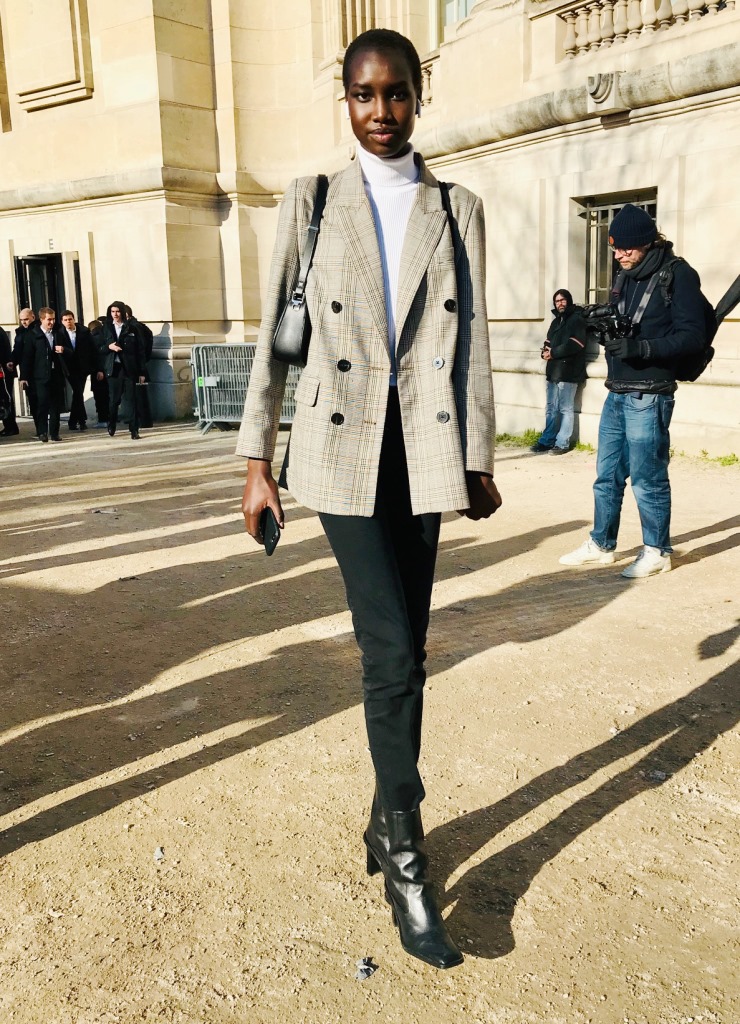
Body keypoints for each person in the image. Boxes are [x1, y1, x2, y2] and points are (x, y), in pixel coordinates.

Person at [237, 28, 501, 969]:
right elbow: (274, 338)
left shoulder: (457, 208)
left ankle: (383, 818)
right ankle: (408, 856)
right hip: (339, 452)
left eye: (396, 93)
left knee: (409, 654)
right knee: (389, 650)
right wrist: (257, 460)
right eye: (363, 94)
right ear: (344, 100)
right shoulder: (312, 201)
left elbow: (471, 343)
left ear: (418, 97)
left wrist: (478, 457)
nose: (380, 111)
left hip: (423, 452)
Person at [560, 203, 706, 578]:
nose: (619, 255)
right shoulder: (625, 275)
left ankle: (657, 551)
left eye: (625, 248)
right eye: (614, 248)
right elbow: (624, 322)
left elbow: (693, 336)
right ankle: (602, 544)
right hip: (618, 389)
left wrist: (642, 349)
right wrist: (601, 327)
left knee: (647, 477)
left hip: (651, 392)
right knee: (606, 475)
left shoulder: (678, 274)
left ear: (646, 242)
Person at [530, 289, 587, 455]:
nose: (560, 303)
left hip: (569, 371)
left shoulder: (577, 319)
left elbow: (576, 344)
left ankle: (562, 443)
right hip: (553, 371)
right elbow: (548, 341)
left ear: (568, 300)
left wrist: (553, 353)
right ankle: (547, 440)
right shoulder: (556, 322)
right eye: (557, 301)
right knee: (551, 408)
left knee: (565, 409)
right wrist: (544, 352)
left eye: (562, 300)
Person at [19, 307, 72, 442]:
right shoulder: (33, 335)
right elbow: (27, 357)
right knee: (42, 404)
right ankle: (42, 432)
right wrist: (24, 377)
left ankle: (54, 433)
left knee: (55, 406)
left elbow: (70, 351)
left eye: (53, 319)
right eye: (49, 319)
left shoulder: (58, 333)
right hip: (40, 376)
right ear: (41, 319)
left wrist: (63, 349)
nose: (51, 322)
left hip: (56, 375)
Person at [100, 301, 147, 440]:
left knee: (132, 400)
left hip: (129, 368)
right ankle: (112, 424)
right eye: (112, 311)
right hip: (114, 368)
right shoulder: (106, 328)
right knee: (114, 400)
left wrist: (142, 372)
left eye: (117, 311)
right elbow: (98, 348)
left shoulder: (132, 328)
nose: (115, 314)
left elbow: (140, 351)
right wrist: (109, 347)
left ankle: (134, 430)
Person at [59, 310, 95, 431]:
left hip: (82, 368)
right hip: (69, 368)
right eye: (65, 320)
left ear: (74, 319)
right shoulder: (59, 333)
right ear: (62, 322)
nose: (68, 322)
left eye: (70, 319)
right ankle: (81, 421)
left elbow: (92, 349)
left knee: (78, 393)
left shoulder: (84, 331)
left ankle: (73, 421)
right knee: (78, 392)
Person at [125, 305, 154, 428]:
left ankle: (144, 420)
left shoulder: (134, 327)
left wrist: (142, 366)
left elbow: (141, 348)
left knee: (139, 394)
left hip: (137, 365)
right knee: (137, 394)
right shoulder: (137, 326)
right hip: (137, 364)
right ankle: (139, 419)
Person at [12, 309, 37, 425]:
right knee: (32, 400)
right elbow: (17, 351)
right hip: (27, 372)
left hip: (39, 369)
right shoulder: (20, 333)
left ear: (33, 317)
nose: (24, 322)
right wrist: (12, 362)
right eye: (21, 320)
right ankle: (40, 428)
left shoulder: (38, 330)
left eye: (26, 319)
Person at [88, 319, 110, 425]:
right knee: (106, 396)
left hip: (98, 371)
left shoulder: (94, 338)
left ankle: (103, 419)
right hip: (107, 370)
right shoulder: (105, 336)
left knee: (99, 397)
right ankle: (108, 418)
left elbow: (97, 356)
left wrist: (99, 370)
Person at [0, 324, 19, 437]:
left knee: (5, 399)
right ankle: (9, 426)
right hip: (4, 370)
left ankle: (10, 426)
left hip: (4, 372)